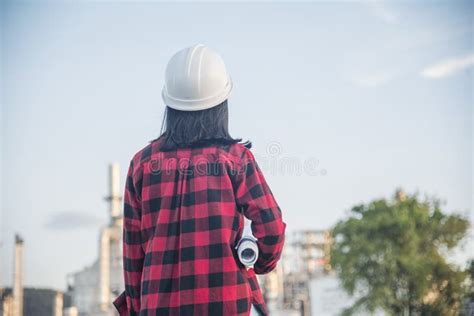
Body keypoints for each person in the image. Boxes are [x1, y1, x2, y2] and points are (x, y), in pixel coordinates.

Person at [113, 44, 287, 316]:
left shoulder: (142, 164)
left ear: (170, 104)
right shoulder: (235, 159)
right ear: (221, 104)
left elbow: (133, 255)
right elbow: (272, 227)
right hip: (228, 305)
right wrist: (259, 262)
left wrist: (137, 309)